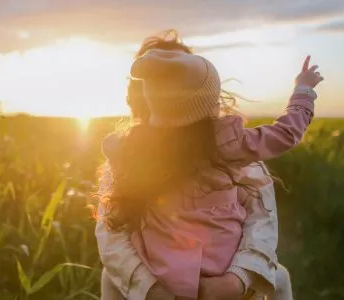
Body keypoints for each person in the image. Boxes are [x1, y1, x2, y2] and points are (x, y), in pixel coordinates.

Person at [95, 30, 321, 299]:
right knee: (111, 277)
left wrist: (236, 279)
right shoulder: (229, 144)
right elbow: (113, 236)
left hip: (212, 281)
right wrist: (152, 290)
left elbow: (262, 220)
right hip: (161, 284)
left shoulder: (128, 150)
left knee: (278, 276)